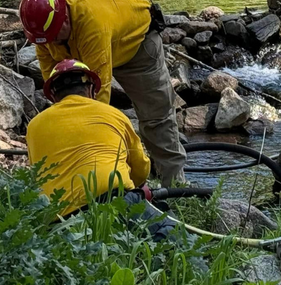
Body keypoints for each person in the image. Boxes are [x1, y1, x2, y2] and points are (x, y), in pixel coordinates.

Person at [19, 0, 186, 185]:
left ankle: (176, 188)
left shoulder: (92, 24)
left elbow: (98, 100)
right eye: (44, 40)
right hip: (91, 44)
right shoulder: (44, 27)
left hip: (136, 44)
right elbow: (56, 89)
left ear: (64, 21)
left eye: (53, 38)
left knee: (156, 117)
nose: (50, 44)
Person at [26, 59, 177, 241]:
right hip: (116, 203)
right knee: (173, 236)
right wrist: (135, 186)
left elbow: (38, 175)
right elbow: (141, 168)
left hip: (62, 224)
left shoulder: (34, 126)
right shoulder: (113, 114)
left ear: (54, 96)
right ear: (90, 89)